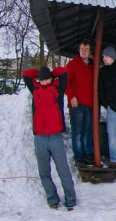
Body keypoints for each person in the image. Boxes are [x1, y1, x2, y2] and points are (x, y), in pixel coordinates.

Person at [22, 66, 77, 211]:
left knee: (63, 170)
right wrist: (40, 73)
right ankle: (53, 199)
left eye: (47, 79)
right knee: (44, 172)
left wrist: (51, 73)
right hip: (40, 138)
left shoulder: (58, 88)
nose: (45, 82)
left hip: (55, 137)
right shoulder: (35, 88)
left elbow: (64, 71)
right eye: (42, 79)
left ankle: (71, 200)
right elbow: (26, 74)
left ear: (52, 79)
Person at [65, 39, 95, 168]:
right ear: (79, 50)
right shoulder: (72, 64)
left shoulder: (92, 66)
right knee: (77, 131)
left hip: (89, 103)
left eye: (86, 49)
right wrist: (72, 97)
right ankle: (79, 156)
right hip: (77, 104)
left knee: (87, 131)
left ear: (90, 51)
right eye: (82, 49)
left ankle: (87, 153)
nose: (84, 51)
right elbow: (65, 83)